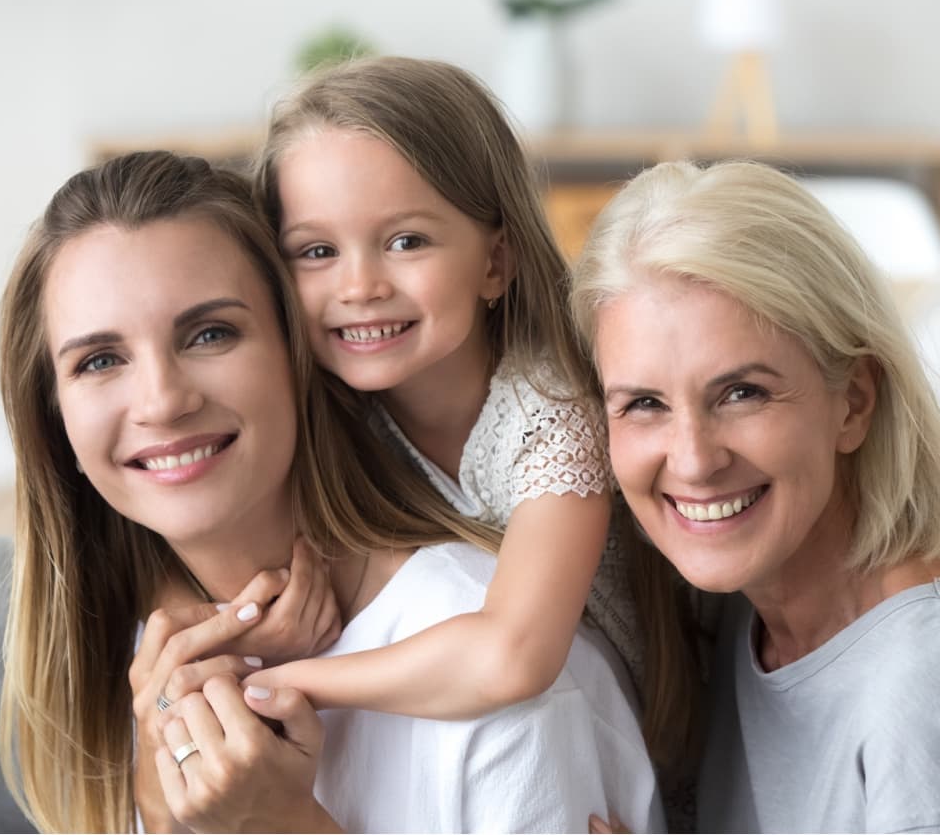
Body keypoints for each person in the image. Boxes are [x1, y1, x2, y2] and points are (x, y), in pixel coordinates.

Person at [0, 150, 664, 833]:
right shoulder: (157, 670)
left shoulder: (497, 671)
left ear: (299, 353)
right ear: (54, 418)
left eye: (210, 333)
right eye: (100, 360)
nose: (162, 401)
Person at [249, 55, 697, 777]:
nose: (359, 285)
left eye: (405, 241)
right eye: (317, 251)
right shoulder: (332, 415)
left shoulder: (552, 415)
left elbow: (513, 655)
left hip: (634, 757)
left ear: (496, 260)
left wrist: (291, 683)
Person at [570, 159, 940, 834]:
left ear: (855, 402)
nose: (693, 458)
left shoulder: (920, 682)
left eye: (742, 393)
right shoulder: (734, 611)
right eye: (645, 403)